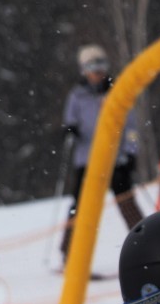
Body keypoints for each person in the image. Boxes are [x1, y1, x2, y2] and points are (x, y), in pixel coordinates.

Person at [60, 44, 143, 267]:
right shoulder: (77, 96)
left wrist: (131, 153)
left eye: (101, 65)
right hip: (86, 161)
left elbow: (132, 129)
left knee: (127, 203)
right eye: (92, 67)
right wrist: (70, 130)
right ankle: (69, 254)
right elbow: (69, 121)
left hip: (116, 160)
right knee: (80, 206)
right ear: (84, 70)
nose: (97, 72)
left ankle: (146, 245)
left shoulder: (117, 91)